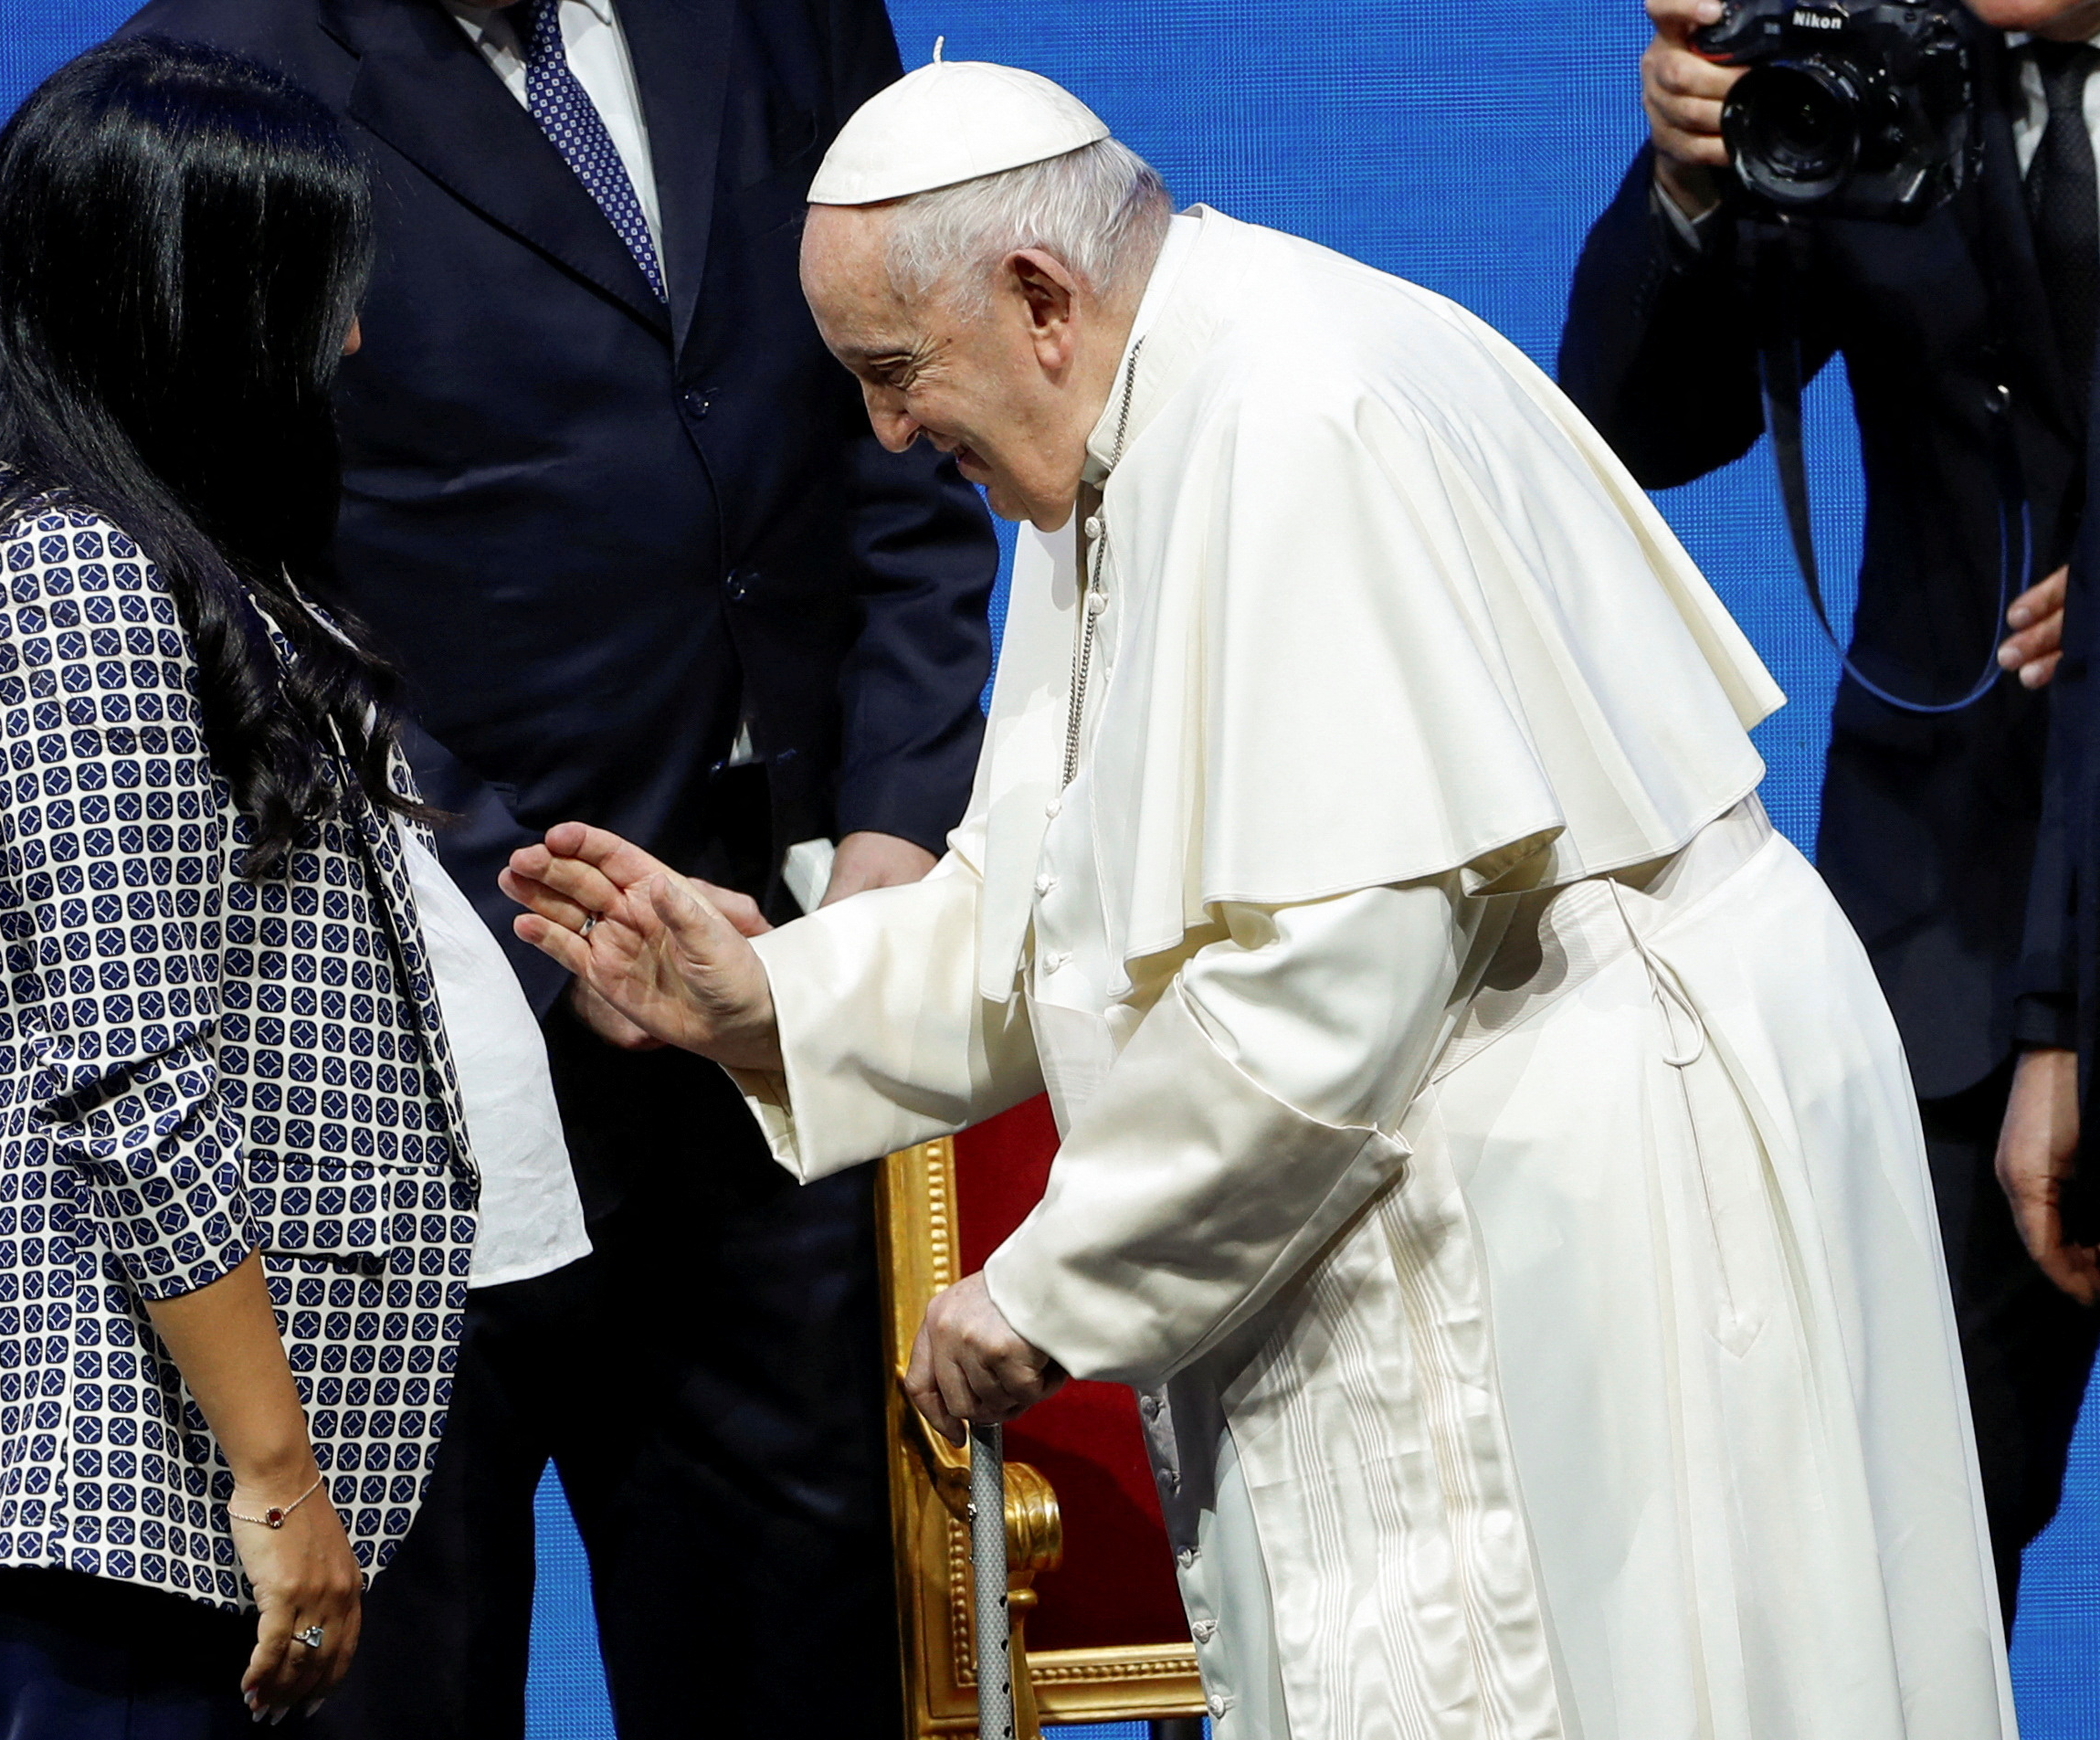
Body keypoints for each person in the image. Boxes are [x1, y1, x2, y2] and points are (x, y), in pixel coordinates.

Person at [505, 58, 2017, 1740]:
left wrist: (1044, 1289)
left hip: (1599, 1151)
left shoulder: (1289, 416)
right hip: (1480, 1114)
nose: (888, 433)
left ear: (1036, 297)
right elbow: (1054, 892)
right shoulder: (1128, 420)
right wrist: (773, 996)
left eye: (891, 372)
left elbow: (1324, 989)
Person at [100, 3, 1000, 1735]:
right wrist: (548, 919)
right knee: (411, 1671)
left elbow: (893, 421)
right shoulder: (218, 63)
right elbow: (216, 556)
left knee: (795, 1649)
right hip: (401, 1010)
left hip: (758, 981)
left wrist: (889, 836)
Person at [0, 37, 589, 1731]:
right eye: (311, 294)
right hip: (155, 1465)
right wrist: (280, 1479)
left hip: (233, 1437)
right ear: (173, 303)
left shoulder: (138, 529)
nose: (353, 338)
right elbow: (134, 1075)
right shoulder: (76, 574)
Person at [1558, 0, 2100, 1619]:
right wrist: (1692, 182)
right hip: (1952, 921)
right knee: (1906, 1547)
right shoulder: (1864, 63)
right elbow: (1638, 420)